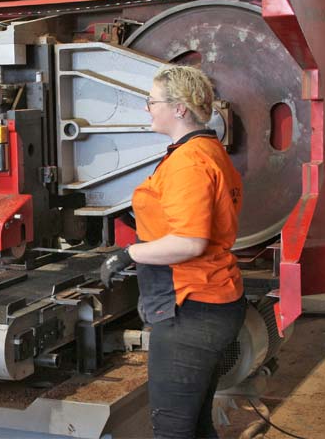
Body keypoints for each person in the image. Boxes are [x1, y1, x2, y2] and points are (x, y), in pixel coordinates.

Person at [101, 66, 246, 438]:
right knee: (195, 425)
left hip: (191, 308)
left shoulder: (189, 163)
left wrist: (129, 254)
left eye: (152, 101)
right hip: (209, 301)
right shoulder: (206, 149)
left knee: (172, 430)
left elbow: (188, 243)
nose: (148, 108)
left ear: (180, 108)